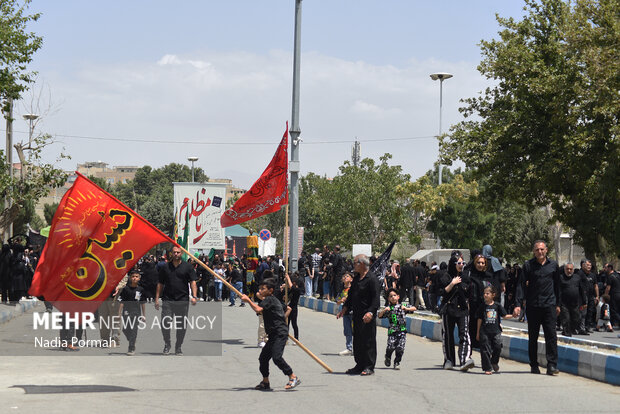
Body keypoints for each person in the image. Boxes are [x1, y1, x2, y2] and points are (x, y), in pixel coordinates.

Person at [241, 279, 300, 390]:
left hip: (279, 333)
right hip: (274, 334)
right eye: (260, 288)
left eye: (263, 289)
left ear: (270, 290)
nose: (260, 290)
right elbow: (288, 309)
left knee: (276, 357)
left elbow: (258, 309)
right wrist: (281, 319)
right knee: (263, 358)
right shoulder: (273, 300)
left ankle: (293, 376)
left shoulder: (269, 300)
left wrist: (248, 300)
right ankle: (265, 382)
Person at [513, 240, 561, 376]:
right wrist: (517, 304)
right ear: (534, 252)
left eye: (542, 249)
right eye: (537, 250)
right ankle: (534, 364)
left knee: (551, 336)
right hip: (533, 305)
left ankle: (552, 365)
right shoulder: (528, 266)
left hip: (549, 305)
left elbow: (558, 286)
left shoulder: (553, 266)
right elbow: (521, 285)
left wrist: (558, 304)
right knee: (533, 337)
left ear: (546, 250)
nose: (540, 252)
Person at [336, 254, 380, 376]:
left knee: (368, 341)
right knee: (358, 341)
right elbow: (351, 297)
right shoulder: (356, 279)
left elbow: (376, 299)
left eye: (355, 263)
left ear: (361, 264)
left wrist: (371, 312)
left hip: (367, 316)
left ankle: (369, 366)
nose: (353, 265)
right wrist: (344, 308)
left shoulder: (372, 279)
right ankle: (359, 365)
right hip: (356, 315)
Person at [154, 245, 198, 355]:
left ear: (181, 254)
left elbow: (193, 282)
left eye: (178, 252)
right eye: (174, 252)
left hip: (182, 300)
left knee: (181, 325)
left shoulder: (187, 267)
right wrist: (156, 299)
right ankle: (167, 344)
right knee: (165, 323)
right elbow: (160, 283)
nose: (176, 254)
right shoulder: (165, 267)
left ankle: (178, 346)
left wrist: (194, 296)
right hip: (168, 299)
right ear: (171, 254)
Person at [438, 253, 474, 371]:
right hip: (449, 309)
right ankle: (449, 360)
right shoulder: (446, 276)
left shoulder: (466, 277)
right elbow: (442, 292)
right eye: (459, 263)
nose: (461, 265)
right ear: (453, 264)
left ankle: (465, 359)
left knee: (464, 334)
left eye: (463, 263)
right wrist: (452, 283)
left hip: (462, 309)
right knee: (448, 335)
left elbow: (469, 293)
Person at [476, 285, 512, 374]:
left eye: (487, 293)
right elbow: (479, 319)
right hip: (484, 331)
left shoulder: (497, 306)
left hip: (496, 331)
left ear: (493, 295)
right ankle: (487, 368)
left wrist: (513, 316)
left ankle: (494, 362)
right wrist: (478, 332)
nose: (485, 295)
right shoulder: (482, 306)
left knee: (498, 346)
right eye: (484, 293)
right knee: (485, 350)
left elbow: (504, 315)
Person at [378, 288, 416, 369]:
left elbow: (414, 308)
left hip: (402, 331)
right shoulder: (388, 308)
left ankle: (397, 362)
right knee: (390, 347)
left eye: (394, 295)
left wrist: (406, 309)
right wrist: (384, 310)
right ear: (388, 299)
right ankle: (388, 357)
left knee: (400, 348)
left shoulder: (403, 306)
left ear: (398, 297)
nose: (393, 297)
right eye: (391, 296)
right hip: (392, 331)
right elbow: (379, 316)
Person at [118, 270, 146, 356]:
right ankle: (132, 339)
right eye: (133, 276)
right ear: (130, 278)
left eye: (136, 277)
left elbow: (142, 303)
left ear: (139, 278)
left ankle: (131, 347)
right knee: (125, 329)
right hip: (126, 311)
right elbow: (122, 302)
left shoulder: (141, 289)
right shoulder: (126, 289)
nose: (134, 278)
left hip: (136, 312)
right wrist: (119, 314)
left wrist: (143, 315)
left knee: (134, 329)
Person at [558, 263, 587, 336]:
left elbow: (581, 290)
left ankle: (570, 330)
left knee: (576, 319)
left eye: (570, 269)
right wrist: (557, 304)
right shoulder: (560, 278)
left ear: (573, 270)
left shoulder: (577, 278)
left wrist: (584, 302)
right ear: (564, 270)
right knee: (566, 319)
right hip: (564, 303)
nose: (569, 271)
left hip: (575, 303)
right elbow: (558, 291)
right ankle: (567, 333)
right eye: (567, 269)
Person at [336, 272, 354, 356]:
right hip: (346, 312)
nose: (345, 277)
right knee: (347, 331)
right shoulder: (342, 290)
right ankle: (349, 348)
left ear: (351, 279)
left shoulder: (354, 288)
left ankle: (357, 348)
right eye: (344, 276)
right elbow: (338, 302)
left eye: (347, 276)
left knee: (356, 331)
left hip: (354, 312)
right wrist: (341, 301)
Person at [603, 263, 620, 328]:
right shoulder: (618, 275)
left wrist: (605, 296)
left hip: (614, 295)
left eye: (606, 267)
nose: (604, 269)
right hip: (618, 294)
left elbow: (608, 288)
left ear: (609, 268)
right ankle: (616, 324)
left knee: (613, 310)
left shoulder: (610, 276)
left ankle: (616, 323)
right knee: (618, 310)